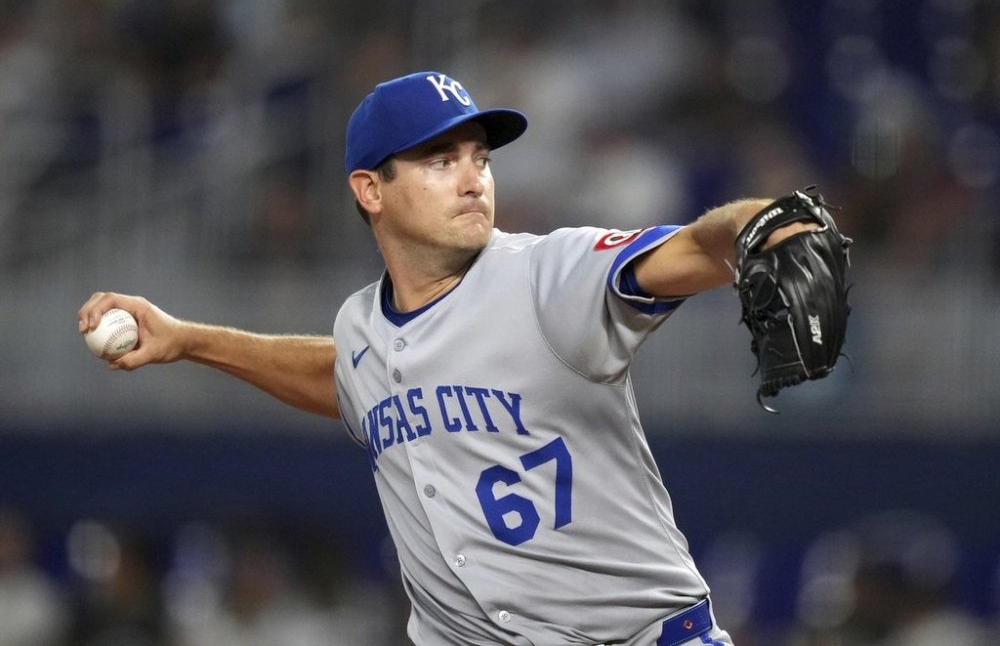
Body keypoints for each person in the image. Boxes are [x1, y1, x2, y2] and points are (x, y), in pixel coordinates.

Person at [79, 71, 818, 646]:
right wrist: (190, 340)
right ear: (371, 189)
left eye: (479, 158)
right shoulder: (362, 326)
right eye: (439, 160)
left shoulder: (548, 277)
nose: (474, 179)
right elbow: (346, 377)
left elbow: (694, 246)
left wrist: (770, 227)